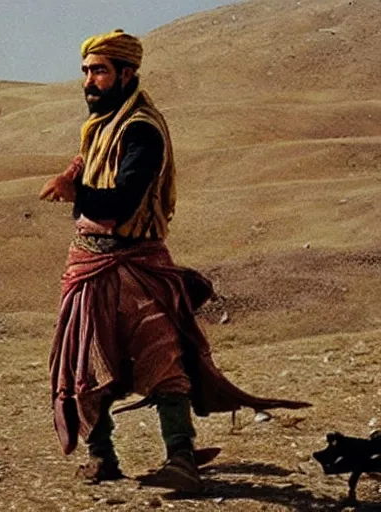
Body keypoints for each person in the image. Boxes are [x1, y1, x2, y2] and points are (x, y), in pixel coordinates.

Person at [40, 29, 310, 493]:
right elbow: (88, 160)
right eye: (86, 70)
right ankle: (102, 456)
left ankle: (181, 459)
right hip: (89, 265)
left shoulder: (141, 128)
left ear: (126, 74)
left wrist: (76, 192)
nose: (89, 80)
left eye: (99, 71)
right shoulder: (103, 123)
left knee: (162, 359)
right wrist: (72, 173)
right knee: (85, 362)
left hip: (135, 265)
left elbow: (124, 199)